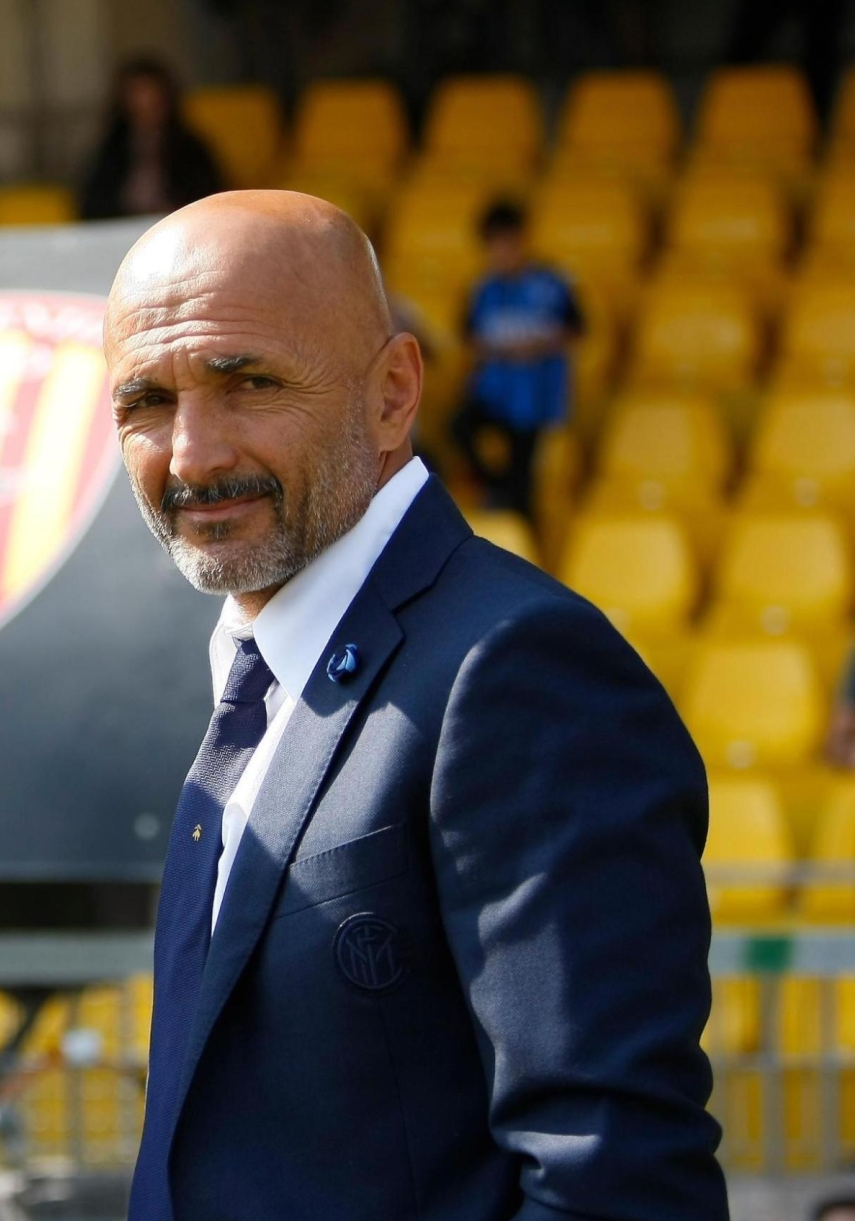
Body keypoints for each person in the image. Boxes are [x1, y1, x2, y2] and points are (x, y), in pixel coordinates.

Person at [106, 191, 722, 1219]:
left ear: (395, 393)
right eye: (146, 404)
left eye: (247, 382)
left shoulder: (521, 672)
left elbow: (612, 1186)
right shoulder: (259, 675)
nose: (193, 454)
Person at [449, 200, 582, 521]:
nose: (500, 253)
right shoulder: (483, 289)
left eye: (506, 243)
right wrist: (499, 349)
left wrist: (538, 345)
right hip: (495, 392)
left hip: (536, 397)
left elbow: (576, 328)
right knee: (460, 427)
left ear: (522, 240)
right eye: (493, 246)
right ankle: (499, 489)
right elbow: (469, 336)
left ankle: (521, 529)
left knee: (525, 481)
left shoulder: (552, 283)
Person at [78, 57, 224, 221]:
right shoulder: (110, 150)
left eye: (152, 94)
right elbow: (92, 205)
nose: (145, 103)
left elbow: (211, 200)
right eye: (137, 93)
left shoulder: (191, 149)